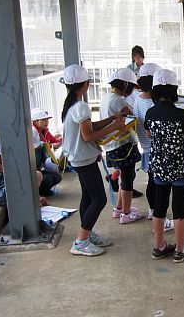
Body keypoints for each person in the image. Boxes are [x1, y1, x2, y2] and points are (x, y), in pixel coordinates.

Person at [61, 64, 127, 257]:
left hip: (80, 158)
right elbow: (88, 135)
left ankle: (86, 234)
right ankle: (80, 242)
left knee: (89, 197)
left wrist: (111, 120)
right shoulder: (81, 106)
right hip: (83, 159)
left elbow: (89, 127)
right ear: (86, 84)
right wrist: (115, 127)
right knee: (99, 199)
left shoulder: (72, 105)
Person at [145, 69, 184, 263]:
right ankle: (179, 250)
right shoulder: (182, 115)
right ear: (173, 90)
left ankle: (158, 247)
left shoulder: (150, 112)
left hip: (159, 167)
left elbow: (148, 134)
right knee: (179, 209)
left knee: (159, 207)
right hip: (180, 167)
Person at [133, 62, 174, 232]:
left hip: (146, 147)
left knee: (152, 181)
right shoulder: (152, 104)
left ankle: (152, 211)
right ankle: (160, 218)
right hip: (157, 148)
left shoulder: (138, 98)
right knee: (160, 186)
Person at [99, 68, 144, 224]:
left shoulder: (107, 97)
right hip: (122, 145)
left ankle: (119, 209)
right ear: (125, 85)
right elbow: (133, 117)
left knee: (125, 176)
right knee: (127, 179)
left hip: (112, 145)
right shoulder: (118, 100)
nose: (132, 91)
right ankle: (126, 213)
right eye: (131, 87)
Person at [0, 137, 46, 206]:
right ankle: (31, 199)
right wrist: (6, 173)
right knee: (13, 190)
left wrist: (6, 171)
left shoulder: (6, 160)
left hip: (12, 186)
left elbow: (18, 175)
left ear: (0, 155)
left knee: (37, 175)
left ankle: (32, 198)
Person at [32, 127, 62, 198]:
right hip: (32, 175)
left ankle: (43, 192)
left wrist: (53, 164)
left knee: (57, 177)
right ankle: (37, 195)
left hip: (38, 172)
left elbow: (46, 160)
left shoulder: (41, 146)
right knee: (46, 178)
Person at [31, 107, 62, 172]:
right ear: (35, 121)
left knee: (56, 177)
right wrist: (53, 145)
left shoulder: (45, 131)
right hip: (35, 167)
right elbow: (38, 147)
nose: (47, 122)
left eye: (47, 119)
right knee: (53, 177)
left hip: (42, 164)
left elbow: (53, 141)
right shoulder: (33, 131)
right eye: (44, 120)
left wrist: (59, 141)